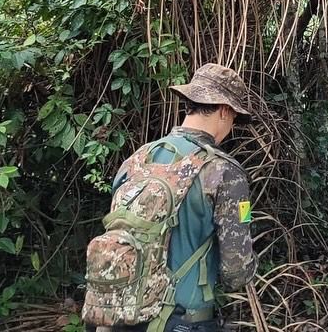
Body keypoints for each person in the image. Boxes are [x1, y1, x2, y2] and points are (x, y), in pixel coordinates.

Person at [82, 64, 257, 332]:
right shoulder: (225, 172)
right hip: (181, 321)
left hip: (117, 315)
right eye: (234, 119)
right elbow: (237, 271)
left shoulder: (136, 160)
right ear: (225, 110)